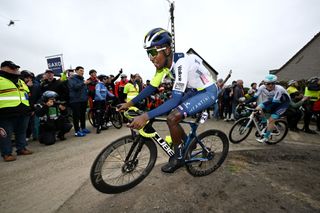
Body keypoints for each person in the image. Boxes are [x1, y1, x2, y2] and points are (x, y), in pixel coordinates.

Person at [118, 28, 218, 173]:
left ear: (166, 50)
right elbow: (151, 88)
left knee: (172, 117)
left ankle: (178, 158)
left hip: (207, 91)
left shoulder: (181, 62)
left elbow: (175, 99)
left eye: (153, 52)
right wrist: (129, 103)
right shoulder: (163, 67)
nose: (151, 58)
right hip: (193, 90)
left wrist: (146, 116)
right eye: (148, 54)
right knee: (172, 113)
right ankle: (187, 143)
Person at [0, 61, 33, 161]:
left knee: (21, 132)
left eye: (16, 68)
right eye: (12, 68)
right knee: (6, 135)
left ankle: (21, 148)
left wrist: (30, 109)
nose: (15, 70)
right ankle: (6, 154)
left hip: (23, 111)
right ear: (3, 68)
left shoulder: (20, 81)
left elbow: (27, 95)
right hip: (5, 113)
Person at [246, 74, 291, 143]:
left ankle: (266, 137)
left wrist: (266, 109)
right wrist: (245, 103)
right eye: (268, 84)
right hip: (273, 100)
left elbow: (274, 104)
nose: (270, 85)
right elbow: (255, 97)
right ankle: (264, 122)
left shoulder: (279, 89)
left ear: (275, 83)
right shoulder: (262, 87)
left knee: (271, 119)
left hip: (283, 103)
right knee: (258, 108)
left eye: (273, 83)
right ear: (264, 83)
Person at [68, 66, 90, 137]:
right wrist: (84, 83)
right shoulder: (72, 79)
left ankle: (83, 128)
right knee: (76, 116)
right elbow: (75, 87)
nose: (82, 72)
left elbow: (84, 90)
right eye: (81, 70)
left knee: (82, 115)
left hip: (83, 100)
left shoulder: (82, 79)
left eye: (83, 71)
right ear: (76, 71)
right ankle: (77, 131)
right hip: (75, 100)